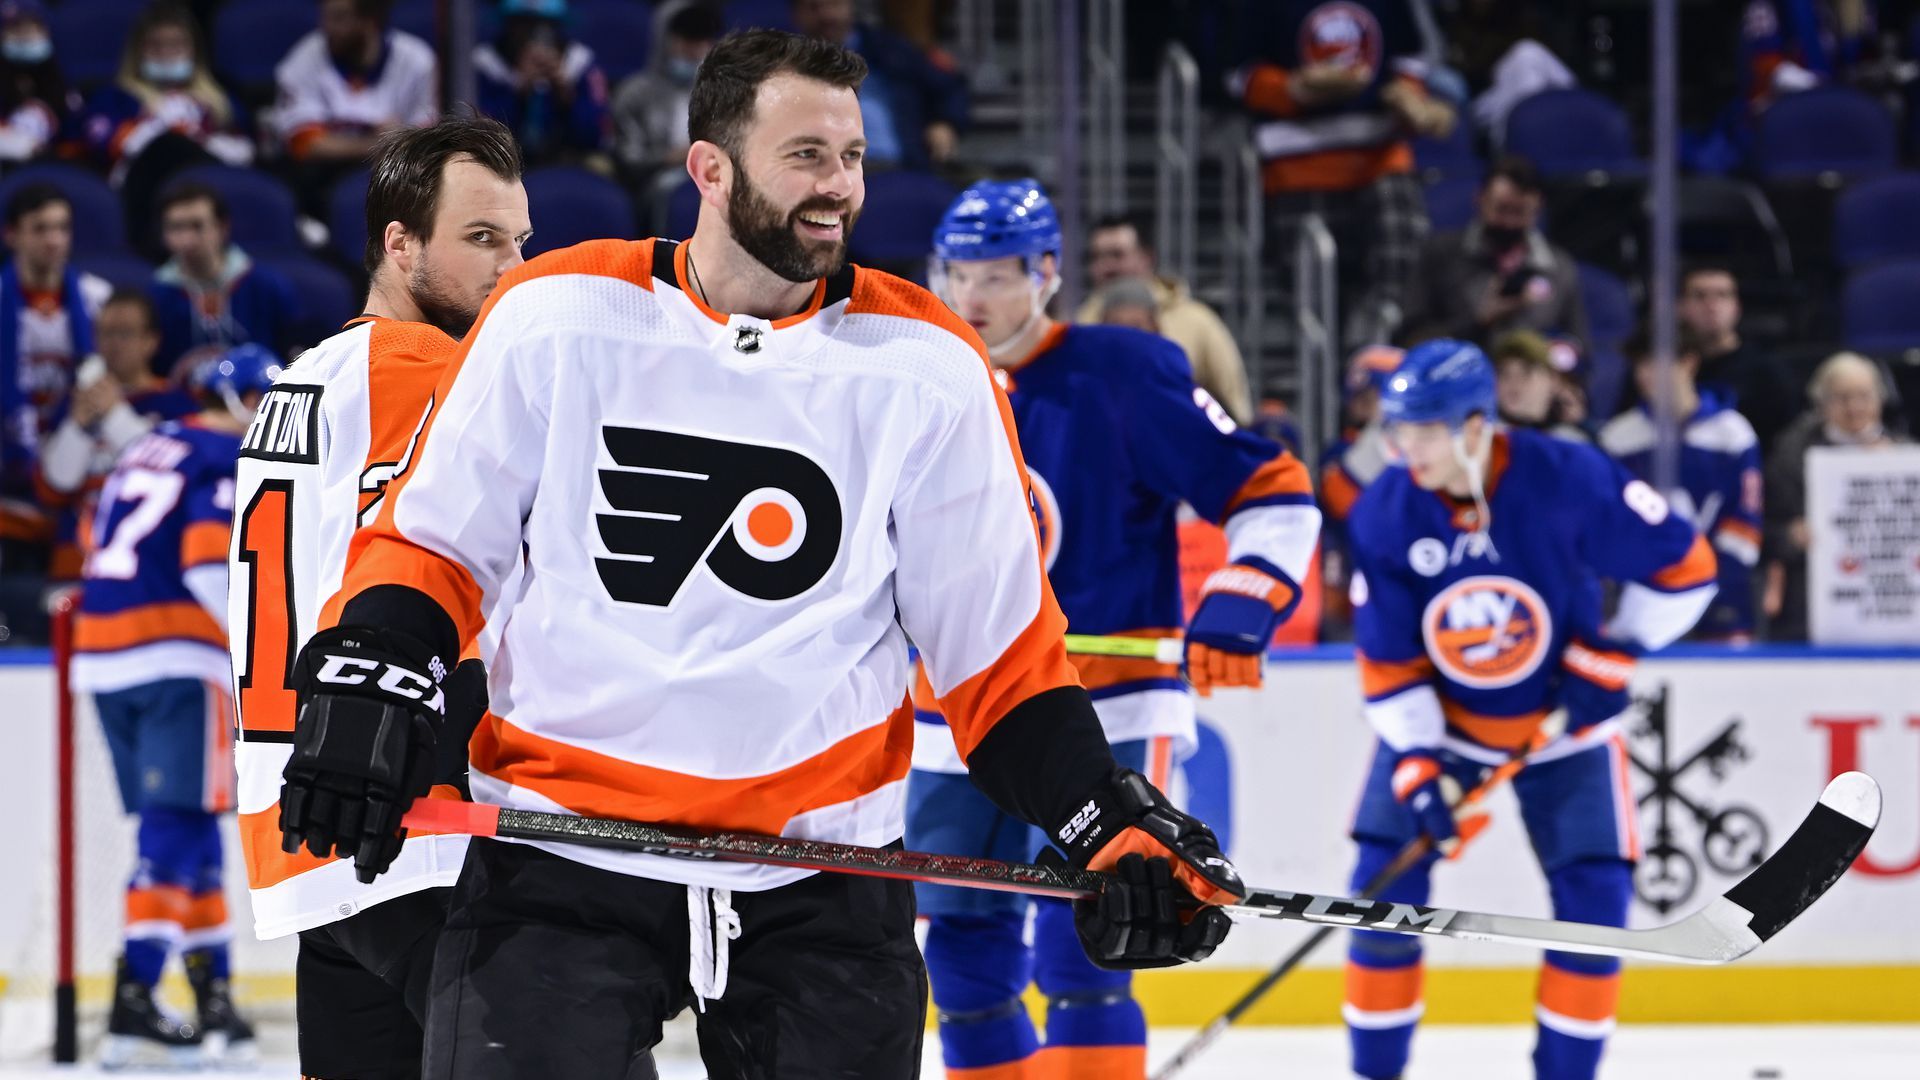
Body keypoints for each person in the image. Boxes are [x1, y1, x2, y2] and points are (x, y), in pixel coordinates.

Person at [279, 30, 1242, 1078]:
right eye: (807, 157)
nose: (840, 188)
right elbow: (433, 545)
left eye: (855, 157)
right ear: (711, 169)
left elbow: (997, 662)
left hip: (821, 874)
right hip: (561, 859)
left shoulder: (926, 367)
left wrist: (1102, 813)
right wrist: (372, 668)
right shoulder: (556, 315)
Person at [913, 179, 1319, 1079]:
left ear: (1048, 272)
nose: (973, 297)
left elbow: (1270, 490)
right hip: (953, 720)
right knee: (963, 958)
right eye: (957, 273)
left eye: (998, 274)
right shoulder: (917, 372)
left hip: (1108, 714)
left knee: (1093, 946)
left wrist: (1246, 595)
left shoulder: (1124, 374)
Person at [227, 114, 529, 1080]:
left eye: (521, 240)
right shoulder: (435, 376)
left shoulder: (299, 380)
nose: (512, 268)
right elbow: (425, 578)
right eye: (481, 239)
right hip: (416, 823)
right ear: (400, 244)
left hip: (306, 841)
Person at [1342, 339, 1717, 1080]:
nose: (1404, 448)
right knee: (1381, 894)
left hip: (1564, 733)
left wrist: (1615, 652)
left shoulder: (1568, 476)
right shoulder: (1385, 509)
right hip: (1442, 728)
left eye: (1422, 430)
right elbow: (1387, 664)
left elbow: (1687, 567)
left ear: (1476, 427)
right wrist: (1419, 761)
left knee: (1594, 910)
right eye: (1397, 429)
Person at [68, 344, 278, 1068]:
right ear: (248, 401)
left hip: (103, 652)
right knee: (172, 833)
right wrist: (257, 656)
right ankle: (137, 994)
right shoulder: (219, 458)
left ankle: (215, 1001)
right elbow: (201, 562)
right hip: (176, 656)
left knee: (187, 830)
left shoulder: (149, 445)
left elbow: (93, 534)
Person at [1232, 0, 1455, 348]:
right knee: (1315, 303)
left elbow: (1411, 60)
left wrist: (1409, 98)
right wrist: (1292, 88)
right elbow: (1238, 72)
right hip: (1297, 166)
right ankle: (1332, 379)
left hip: (1379, 158)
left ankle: (1376, 363)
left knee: (1401, 269)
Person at [1600, 326, 1765, 642]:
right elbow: (1613, 522)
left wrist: (1712, 579)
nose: (1645, 374)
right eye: (1640, 364)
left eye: (1655, 362)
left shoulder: (1732, 433)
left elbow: (1745, 521)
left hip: (1722, 596)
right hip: (1646, 596)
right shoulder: (1619, 437)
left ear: (1689, 362)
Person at [35, 289, 196, 579]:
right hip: (75, 563)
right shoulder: (73, 402)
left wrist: (114, 415)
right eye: (105, 334)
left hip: (148, 561)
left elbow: (182, 477)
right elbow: (53, 489)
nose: (113, 345)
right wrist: (78, 426)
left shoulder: (178, 405)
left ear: (151, 341)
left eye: (124, 334)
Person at [0, 184, 112, 571]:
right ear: (11, 234)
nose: (54, 240)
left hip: (78, 459)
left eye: (61, 228)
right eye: (40, 228)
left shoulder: (99, 300)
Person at [1762, 351, 1910, 640]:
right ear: (1821, 403)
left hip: (1895, 610)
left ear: (1881, 399)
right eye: (1842, 398)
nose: (1855, 408)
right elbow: (1764, 531)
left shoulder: (1906, 458)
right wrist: (1791, 537)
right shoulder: (1790, 455)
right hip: (1810, 608)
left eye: (1864, 396)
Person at [77, 0, 251, 219]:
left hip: (212, 191)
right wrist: (165, 130)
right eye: (156, 45)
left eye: (176, 44)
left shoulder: (221, 102)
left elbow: (244, 151)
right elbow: (105, 143)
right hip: (143, 197)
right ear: (137, 50)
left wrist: (196, 138)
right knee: (170, 145)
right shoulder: (114, 98)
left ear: (194, 51)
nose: (166, 53)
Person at [1075, 211, 1254, 424]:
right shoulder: (1080, 326)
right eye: (1097, 257)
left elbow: (1234, 407)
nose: (1107, 267)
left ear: (1147, 258)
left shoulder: (1198, 322)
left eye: (1117, 255)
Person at [1402, 156, 1589, 350]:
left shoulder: (1558, 267)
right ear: (1479, 199)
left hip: (1529, 377)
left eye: (1519, 212)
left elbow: (1579, 350)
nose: (1508, 223)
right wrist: (1479, 321)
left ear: (1537, 207)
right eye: (1501, 210)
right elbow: (1411, 337)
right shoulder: (1440, 255)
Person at [790, 0, 967, 169]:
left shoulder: (889, 49)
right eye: (814, 7)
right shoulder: (787, 65)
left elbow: (949, 88)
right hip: (828, 171)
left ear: (850, 5)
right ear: (797, 13)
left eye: (834, 4)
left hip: (900, 165)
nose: (827, 16)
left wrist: (945, 122)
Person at [149, 182, 296, 378]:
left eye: (196, 226)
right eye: (176, 228)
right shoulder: (155, 296)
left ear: (222, 227)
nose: (186, 240)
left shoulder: (266, 286)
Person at [273, 0, 438, 167]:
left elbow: (426, 140)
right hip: (323, 176)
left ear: (369, 20)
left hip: (397, 171)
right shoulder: (304, 58)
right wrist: (381, 143)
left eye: (339, 18)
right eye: (325, 17)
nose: (327, 27)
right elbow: (303, 144)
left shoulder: (417, 61)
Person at [1677, 264, 1797, 456]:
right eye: (1700, 296)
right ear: (1680, 307)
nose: (1711, 305)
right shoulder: (1663, 370)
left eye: (1722, 295)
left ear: (1736, 307)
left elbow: (1785, 442)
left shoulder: (1767, 372)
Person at [474, 0, 611, 165]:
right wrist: (518, 90)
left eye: (544, 25)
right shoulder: (484, 64)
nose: (533, 34)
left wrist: (566, 96)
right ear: (508, 24)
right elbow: (478, 135)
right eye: (524, 24)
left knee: (600, 164)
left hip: (567, 159)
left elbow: (596, 138)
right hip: (500, 160)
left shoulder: (581, 63)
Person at [611, 0, 724, 178]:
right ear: (664, 38)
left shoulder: (719, 94)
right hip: (655, 185)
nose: (694, 50)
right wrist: (669, 158)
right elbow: (628, 159)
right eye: (687, 39)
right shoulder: (635, 93)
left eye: (702, 41)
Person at [0, 0, 79, 162]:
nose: (24, 38)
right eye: (15, 30)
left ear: (46, 32)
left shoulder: (58, 74)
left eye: (31, 29)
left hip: (50, 159)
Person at [1492, 328, 1588, 442]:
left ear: (1553, 380)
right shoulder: (1484, 439)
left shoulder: (1570, 441)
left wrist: (1582, 424)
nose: (1513, 382)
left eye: (1525, 373)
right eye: (1504, 374)